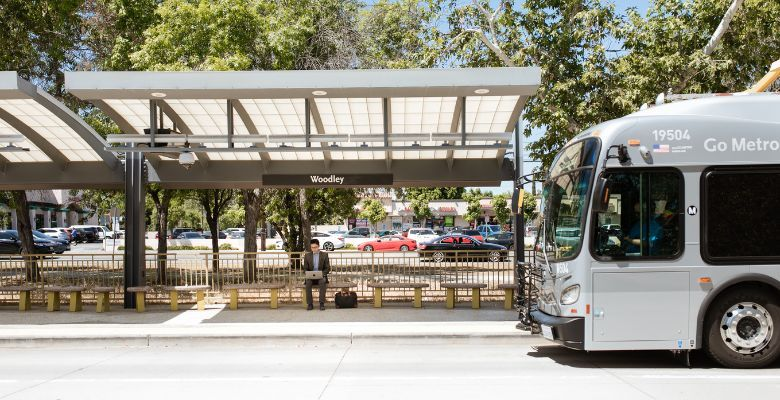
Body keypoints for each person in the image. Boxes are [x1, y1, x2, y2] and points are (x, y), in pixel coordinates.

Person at [304, 238, 329, 311]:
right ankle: (310, 304)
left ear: (318, 246)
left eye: (315, 247)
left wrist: (322, 274)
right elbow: (305, 268)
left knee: (322, 282)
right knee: (308, 283)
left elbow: (327, 268)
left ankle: (321, 303)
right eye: (312, 247)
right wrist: (307, 273)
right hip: (311, 277)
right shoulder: (307, 256)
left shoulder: (324, 255)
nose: (313, 249)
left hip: (320, 276)